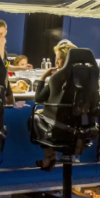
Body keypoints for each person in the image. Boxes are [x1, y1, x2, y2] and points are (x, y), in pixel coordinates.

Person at [33, 41, 78, 170]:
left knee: (35, 117)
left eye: (59, 59)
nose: (57, 62)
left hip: (60, 127)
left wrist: (43, 77)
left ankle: (50, 155)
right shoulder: (87, 75)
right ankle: (53, 155)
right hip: (79, 126)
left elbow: (39, 99)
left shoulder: (57, 77)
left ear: (66, 60)